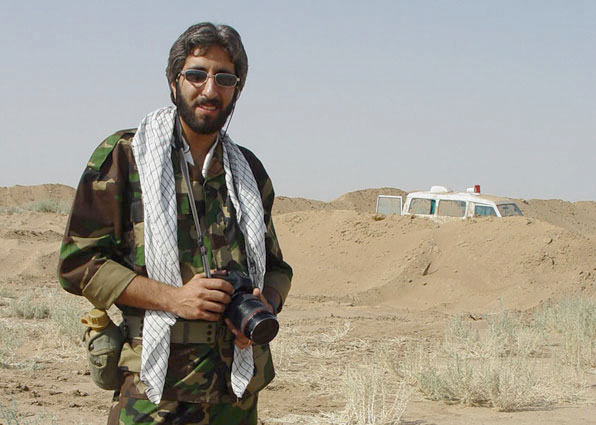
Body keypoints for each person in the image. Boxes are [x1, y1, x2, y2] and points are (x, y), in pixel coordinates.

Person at [58, 22, 292, 425]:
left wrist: (263, 304)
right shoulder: (127, 157)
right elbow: (78, 264)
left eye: (224, 78)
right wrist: (173, 298)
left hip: (235, 393)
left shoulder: (248, 171)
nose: (210, 89)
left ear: (237, 90)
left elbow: (276, 268)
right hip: (156, 391)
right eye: (197, 74)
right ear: (174, 82)